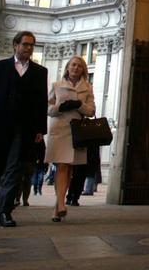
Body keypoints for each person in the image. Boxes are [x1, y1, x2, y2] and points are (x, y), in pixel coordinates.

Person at [0, 31, 49, 227]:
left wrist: (40, 129)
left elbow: (41, 103)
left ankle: (5, 211)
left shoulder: (40, 72)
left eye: (32, 45)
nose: (28, 48)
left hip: (24, 129)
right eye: (25, 44)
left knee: (15, 170)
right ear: (16, 45)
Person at [45, 55, 96, 222]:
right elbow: (48, 108)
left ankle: (57, 207)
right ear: (67, 67)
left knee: (69, 169)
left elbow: (91, 111)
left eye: (79, 66)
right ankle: (61, 204)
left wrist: (78, 105)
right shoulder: (57, 85)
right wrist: (60, 107)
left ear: (83, 70)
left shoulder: (88, 87)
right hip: (60, 129)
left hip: (77, 132)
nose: (75, 68)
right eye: (73, 65)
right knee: (62, 166)